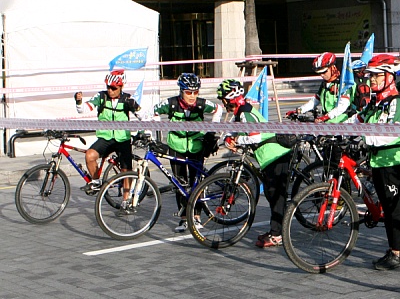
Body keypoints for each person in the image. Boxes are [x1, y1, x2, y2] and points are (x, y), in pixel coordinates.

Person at [352, 54, 400, 270]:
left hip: (394, 162)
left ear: (390, 77)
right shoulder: (375, 103)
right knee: (386, 207)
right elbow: (357, 119)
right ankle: (393, 248)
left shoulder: (397, 102)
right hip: (378, 162)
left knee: (394, 208)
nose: (372, 80)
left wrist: (364, 138)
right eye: (371, 76)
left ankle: (397, 253)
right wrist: (333, 129)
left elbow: (391, 133)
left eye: (377, 76)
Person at [217, 79, 293, 248]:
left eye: (223, 99)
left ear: (229, 98)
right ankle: (276, 229)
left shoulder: (245, 112)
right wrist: (228, 138)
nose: (222, 103)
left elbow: (256, 136)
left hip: (275, 155)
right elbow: (232, 129)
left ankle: (277, 235)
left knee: (276, 196)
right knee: (272, 194)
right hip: (268, 157)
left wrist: (238, 140)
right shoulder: (240, 111)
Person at [152, 73, 223, 232]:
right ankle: (184, 218)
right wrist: (159, 135)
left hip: (196, 145)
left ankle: (196, 216)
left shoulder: (202, 103)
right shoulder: (171, 103)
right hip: (176, 146)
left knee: (196, 183)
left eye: (195, 92)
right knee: (180, 182)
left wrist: (212, 130)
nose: (192, 96)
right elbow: (154, 111)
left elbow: (218, 109)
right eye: (188, 92)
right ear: (181, 91)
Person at [74, 70, 143, 192]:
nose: (110, 90)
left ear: (121, 87)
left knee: (125, 171)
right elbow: (83, 109)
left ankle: (126, 200)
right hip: (105, 137)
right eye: (108, 87)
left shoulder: (127, 98)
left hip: (122, 139)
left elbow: (142, 116)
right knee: (90, 155)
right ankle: (96, 182)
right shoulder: (101, 96)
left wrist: (144, 131)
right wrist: (79, 102)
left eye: (114, 88)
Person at [298, 52, 354, 123]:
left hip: (340, 122)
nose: (322, 75)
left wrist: (327, 116)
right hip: (326, 122)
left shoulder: (342, 83)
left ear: (333, 68)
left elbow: (343, 106)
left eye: (324, 72)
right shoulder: (324, 83)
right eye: (319, 73)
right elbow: (315, 100)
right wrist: (300, 110)